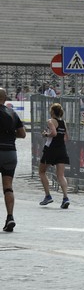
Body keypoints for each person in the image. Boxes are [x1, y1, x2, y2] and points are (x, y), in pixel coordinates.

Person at [0, 88, 26, 232]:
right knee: (8, 187)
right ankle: (10, 217)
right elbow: (22, 134)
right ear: (5, 99)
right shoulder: (12, 113)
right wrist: (10, 136)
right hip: (10, 153)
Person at [38, 103, 71, 209]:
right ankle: (65, 197)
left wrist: (45, 134)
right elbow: (67, 137)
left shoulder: (51, 121)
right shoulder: (63, 122)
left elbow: (54, 133)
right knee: (61, 175)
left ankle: (48, 196)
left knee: (42, 172)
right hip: (61, 149)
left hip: (51, 149)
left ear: (52, 112)